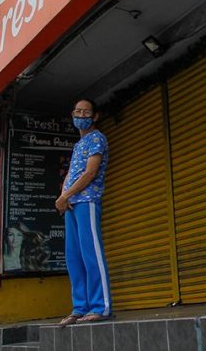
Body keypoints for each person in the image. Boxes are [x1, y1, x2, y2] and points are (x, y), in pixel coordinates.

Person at [56, 98, 112, 326]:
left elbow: (90, 173)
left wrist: (66, 196)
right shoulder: (78, 144)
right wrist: (63, 196)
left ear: (94, 116)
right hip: (71, 205)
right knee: (74, 258)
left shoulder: (97, 138)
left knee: (91, 255)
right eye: (77, 111)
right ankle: (80, 307)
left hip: (86, 202)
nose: (81, 115)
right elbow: (70, 173)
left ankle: (100, 306)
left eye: (86, 112)